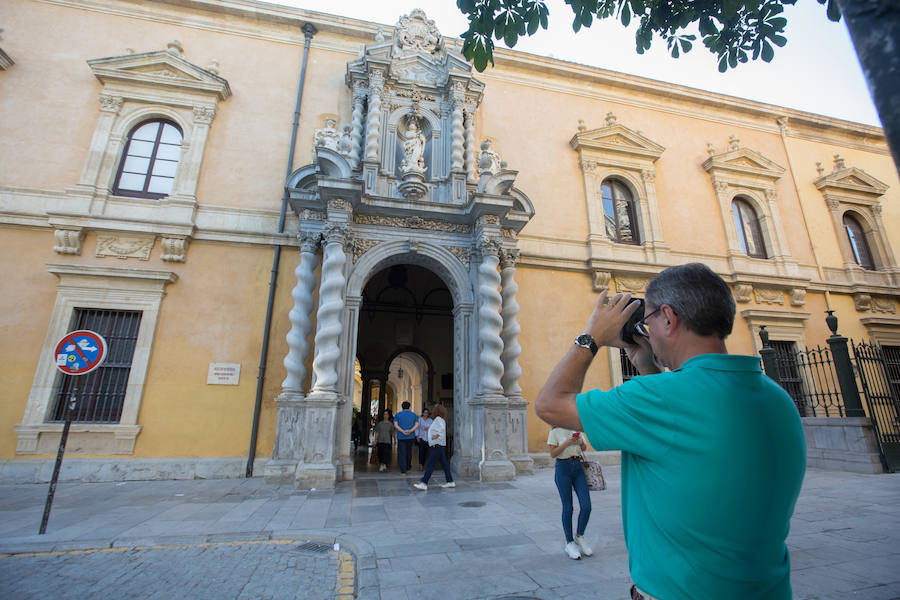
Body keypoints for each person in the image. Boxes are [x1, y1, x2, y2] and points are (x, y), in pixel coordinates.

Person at [535, 263, 806, 600]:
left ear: (668, 317)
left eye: (647, 319)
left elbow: (549, 405)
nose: (646, 328)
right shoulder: (777, 397)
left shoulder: (660, 399)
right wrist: (649, 368)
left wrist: (591, 336)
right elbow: (681, 441)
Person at [547, 427, 592, 560]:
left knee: (586, 506)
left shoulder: (576, 429)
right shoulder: (554, 431)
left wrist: (579, 442)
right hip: (563, 468)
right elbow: (553, 453)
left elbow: (584, 448)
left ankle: (580, 536)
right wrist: (567, 443)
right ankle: (569, 542)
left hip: (578, 467)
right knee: (568, 507)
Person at [413, 404, 454, 490]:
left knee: (430, 464)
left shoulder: (438, 419)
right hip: (439, 445)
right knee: (444, 464)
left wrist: (436, 435)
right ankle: (450, 481)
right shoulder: (440, 419)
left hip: (436, 445)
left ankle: (424, 482)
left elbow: (442, 429)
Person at [393, 401, 419, 475]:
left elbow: (395, 425)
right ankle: (408, 467)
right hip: (410, 437)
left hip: (401, 437)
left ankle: (403, 471)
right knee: (409, 452)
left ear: (402, 407)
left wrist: (403, 431)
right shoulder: (413, 415)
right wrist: (410, 431)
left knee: (402, 453)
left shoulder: (398, 415)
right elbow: (417, 425)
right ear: (409, 407)